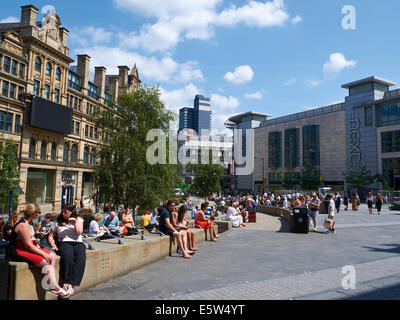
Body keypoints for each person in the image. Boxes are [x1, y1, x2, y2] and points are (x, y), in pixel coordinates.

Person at [8, 204, 69, 298]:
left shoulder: (29, 222)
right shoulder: (23, 225)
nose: (39, 214)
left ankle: (49, 283)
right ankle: (55, 287)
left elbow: (31, 240)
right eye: (38, 212)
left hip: (28, 247)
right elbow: (28, 245)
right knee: (45, 261)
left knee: (52, 255)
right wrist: (43, 253)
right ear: (33, 213)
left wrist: (40, 249)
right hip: (18, 250)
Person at [48, 204, 86, 297]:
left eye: (65, 212)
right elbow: (51, 235)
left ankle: (71, 283)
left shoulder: (79, 219)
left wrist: (75, 222)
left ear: (71, 212)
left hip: (78, 242)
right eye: (63, 211)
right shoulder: (58, 221)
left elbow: (78, 233)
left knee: (81, 259)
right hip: (65, 242)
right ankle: (67, 281)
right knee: (68, 257)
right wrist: (53, 244)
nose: (63, 213)